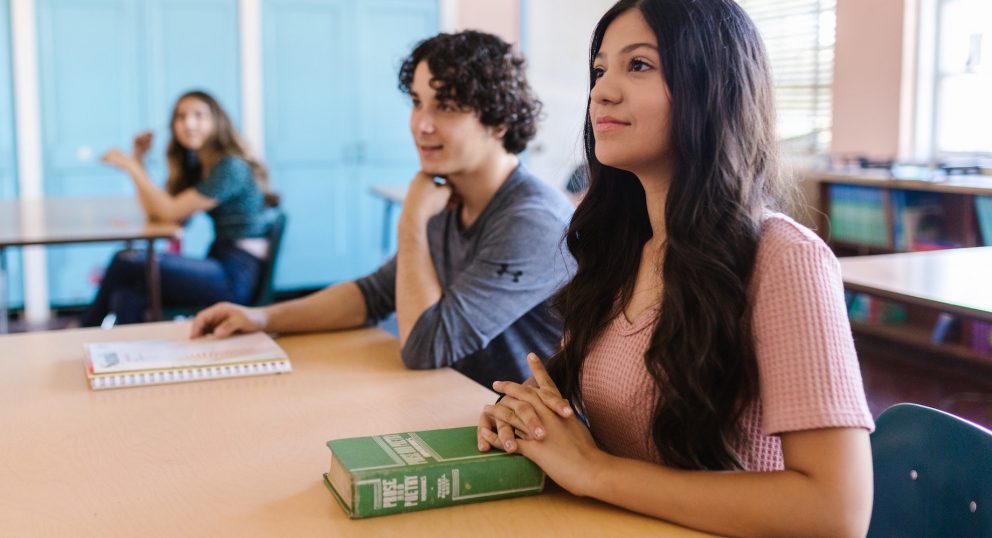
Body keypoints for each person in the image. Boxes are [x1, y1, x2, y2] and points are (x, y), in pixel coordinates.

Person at [477, 1, 875, 536]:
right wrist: (533, 423)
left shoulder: (784, 258)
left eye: (638, 65)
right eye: (599, 70)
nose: (602, 91)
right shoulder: (620, 246)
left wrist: (595, 471)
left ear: (713, 87)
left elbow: (836, 511)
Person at [191, 31, 576, 388]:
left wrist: (411, 221)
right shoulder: (449, 196)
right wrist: (262, 317)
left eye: (445, 106)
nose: (421, 124)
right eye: (416, 102)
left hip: (534, 440)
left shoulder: (533, 220)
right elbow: (373, 294)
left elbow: (425, 348)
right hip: (457, 405)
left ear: (498, 121)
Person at [81, 90, 277, 327]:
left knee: (125, 261)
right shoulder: (200, 165)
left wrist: (132, 167)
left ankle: (83, 332)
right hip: (220, 262)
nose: (188, 124)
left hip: (236, 275)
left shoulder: (230, 168)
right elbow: (160, 213)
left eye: (198, 115)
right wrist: (138, 159)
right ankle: (123, 358)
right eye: (181, 117)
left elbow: (169, 212)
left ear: (217, 121)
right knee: (128, 295)